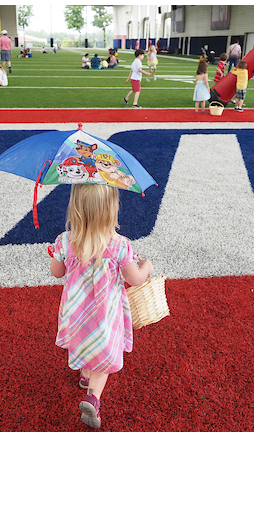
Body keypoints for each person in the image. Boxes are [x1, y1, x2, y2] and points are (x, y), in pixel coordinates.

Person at [49, 183, 154, 429]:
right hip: (105, 314)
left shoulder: (65, 240)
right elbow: (135, 279)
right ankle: (93, 399)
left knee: (85, 341)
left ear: (75, 209)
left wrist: (55, 256)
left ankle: (85, 376)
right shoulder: (119, 245)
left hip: (77, 312)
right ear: (111, 210)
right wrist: (147, 267)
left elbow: (57, 272)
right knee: (103, 356)